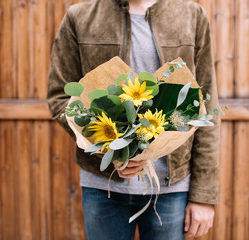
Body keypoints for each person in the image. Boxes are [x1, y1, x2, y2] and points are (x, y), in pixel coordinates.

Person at [46, 0, 221, 239]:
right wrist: (111, 151)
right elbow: (61, 97)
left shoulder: (191, 15)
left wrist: (203, 195)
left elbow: (205, 107)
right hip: (103, 186)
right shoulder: (80, 16)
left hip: (172, 187)